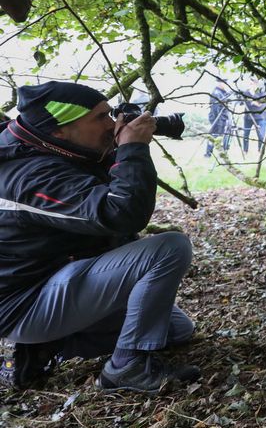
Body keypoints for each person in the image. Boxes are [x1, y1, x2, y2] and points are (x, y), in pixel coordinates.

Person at [0, 82, 199, 392]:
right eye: (101, 118)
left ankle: (50, 345)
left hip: (58, 275)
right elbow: (119, 214)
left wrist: (117, 149)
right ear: (60, 130)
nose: (112, 124)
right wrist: (131, 149)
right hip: (26, 301)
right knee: (169, 248)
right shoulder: (29, 177)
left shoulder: (53, 147)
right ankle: (126, 367)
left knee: (176, 330)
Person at [205, 80, 232, 158]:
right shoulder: (216, 93)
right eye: (224, 83)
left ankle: (217, 153)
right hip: (216, 119)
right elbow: (216, 110)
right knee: (214, 136)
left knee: (217, 136)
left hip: (221, 118)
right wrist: (220, 122)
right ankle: (208, 154)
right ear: (220, 83)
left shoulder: (222, 92)